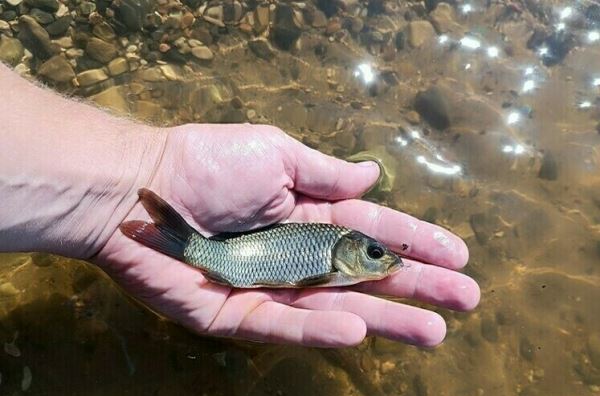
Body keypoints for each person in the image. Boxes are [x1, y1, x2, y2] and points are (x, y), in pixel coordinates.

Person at [0, 63, 480, 348]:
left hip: (228, 257)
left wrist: (113, 195)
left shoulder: (337, 257)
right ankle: (168, 235)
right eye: (375, 254)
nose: (383, 260)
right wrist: (130, 185)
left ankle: (164, 234)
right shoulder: (332, 258)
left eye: (378, 255)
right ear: (349, 252)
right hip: (226, 254)